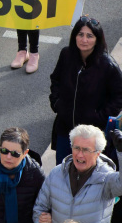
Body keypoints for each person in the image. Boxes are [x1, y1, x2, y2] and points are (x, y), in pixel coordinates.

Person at [33, 125, 122, 223]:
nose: (80, 155)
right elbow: (39, 210)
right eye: (76, 148)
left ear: (98, 153)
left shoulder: (106, 178)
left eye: (86, 150)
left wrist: (121, 154)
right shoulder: (56, 174)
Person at [48, 17, 122, 164]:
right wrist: (57, 103)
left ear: (97, 39)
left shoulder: (107, 65)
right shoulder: (66, 54)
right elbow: (55, 80)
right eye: (80, 34)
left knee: (87, 172)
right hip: (65, 128)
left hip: (90, 134)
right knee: (63, 169)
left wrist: (98, 117)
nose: (84, 40)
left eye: (90, 36)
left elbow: (119, 96)